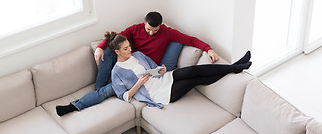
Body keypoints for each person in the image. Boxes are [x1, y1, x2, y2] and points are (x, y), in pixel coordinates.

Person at [56, 12, 221, 116]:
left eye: (154, 31)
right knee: (106, 59)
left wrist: (209, 49)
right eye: (148, 29)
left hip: (145, 70)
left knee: (107, 91)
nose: (150, 33)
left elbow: (190, 39)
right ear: (144, 22)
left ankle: (75, 105)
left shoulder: (167, 33)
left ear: (160, 26)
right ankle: (86, 96)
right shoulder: (135, 29)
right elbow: (116, 39)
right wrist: (99, 48)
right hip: (129, 63)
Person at [109, 33, 251, 107]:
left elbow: (153, 68)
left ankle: (235, 66)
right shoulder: (116, 72)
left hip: (163, 79)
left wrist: (160, 70)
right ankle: (236, 68)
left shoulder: (137, 55)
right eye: (126, 49)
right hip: (158, 94)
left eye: (129, 47)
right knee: (195, 80)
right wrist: (138, 84)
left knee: (192, 71)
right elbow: (124, 97)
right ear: (117, 52)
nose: (130, 50)